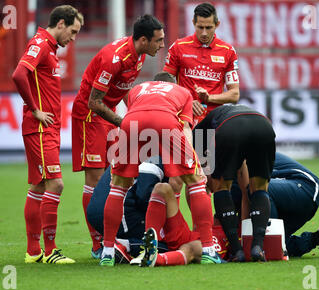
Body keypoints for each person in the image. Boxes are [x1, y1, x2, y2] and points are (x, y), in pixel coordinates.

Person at [99, 72, 223, 266]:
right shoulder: (183, 92)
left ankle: (106, 252)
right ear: (172, 84)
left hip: (131, 122)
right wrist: (193, 162)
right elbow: (185, 128)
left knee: (117, 187)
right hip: (165, 120)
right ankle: (208, 250)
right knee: (196, 181)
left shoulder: (137, 90)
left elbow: (140, 117)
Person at [71, 15, 165, 257]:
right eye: (159, 40)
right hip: (89, 117)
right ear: (144, 40)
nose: (162, 45)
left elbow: (122, 90)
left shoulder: (141, 55)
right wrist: (124, 122)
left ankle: (116, 232)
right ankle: (96, 244)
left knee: (115, 172)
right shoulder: (113, 59)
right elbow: (93, 102)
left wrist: (136, 113)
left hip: (108, 115)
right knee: (93, 179)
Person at [12, 5, 83, 264]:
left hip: (45, 127)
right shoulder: (41, 43)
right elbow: (19, 74)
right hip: (41, 127)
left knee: (39, 185)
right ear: (61, 23)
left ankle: (33, 252)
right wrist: (35, 110)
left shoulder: (49, 48)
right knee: (56, 183)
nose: (73, 38)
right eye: (72, 31)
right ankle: (51, 251)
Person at [193, 103, 276, 262]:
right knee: (259, 188)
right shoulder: (225, 113)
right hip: (263, 125)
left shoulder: (200, 129)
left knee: (221, 187)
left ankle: (237, 251)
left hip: (231, 128)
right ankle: (257, 247)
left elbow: (201, 166)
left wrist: (206, 174)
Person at [230, 152, 319, 258]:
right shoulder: (231, 170)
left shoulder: (236, 164)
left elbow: (242, 202)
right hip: (285, 197)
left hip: (305, 186)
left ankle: (273, 248)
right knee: (276, 242)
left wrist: (241, 243)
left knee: (257, 191)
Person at [163, 2, 240, 124]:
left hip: (213, 120)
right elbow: (164, 85)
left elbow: (234, 95)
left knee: (205, 143)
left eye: (208, 28)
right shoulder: (178, 47)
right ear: (193, 22)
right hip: (183, 117)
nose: (204, 33)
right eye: (200, 27)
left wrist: (209, 98)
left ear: (217, 24)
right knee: (189, 143)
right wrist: (186, 101)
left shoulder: (228, 51)